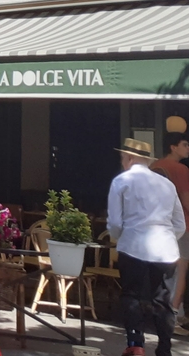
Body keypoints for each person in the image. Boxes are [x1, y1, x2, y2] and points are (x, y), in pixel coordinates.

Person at [110, 137, 186, 356]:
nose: (123, 161)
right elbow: (179, 224)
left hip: (133, 246)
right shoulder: (167, 184)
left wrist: (120, 238)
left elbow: (115, 223)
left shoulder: (122, 181)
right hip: (166, 250)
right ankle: (164, 348)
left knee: (131, 296)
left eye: (123, 157)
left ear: (130, 158)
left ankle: (136, 344)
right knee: (163, 301)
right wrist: (167, 237)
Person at [151, 132, 189, 332]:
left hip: (158, 225)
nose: (188, 148)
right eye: (184, 144)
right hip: (181, 224)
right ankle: (172, 315)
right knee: (180, 269)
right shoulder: (180, 169)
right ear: (173, 147)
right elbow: (186, 200)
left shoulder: (155, 166)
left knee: (162, 271)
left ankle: (163, 311)